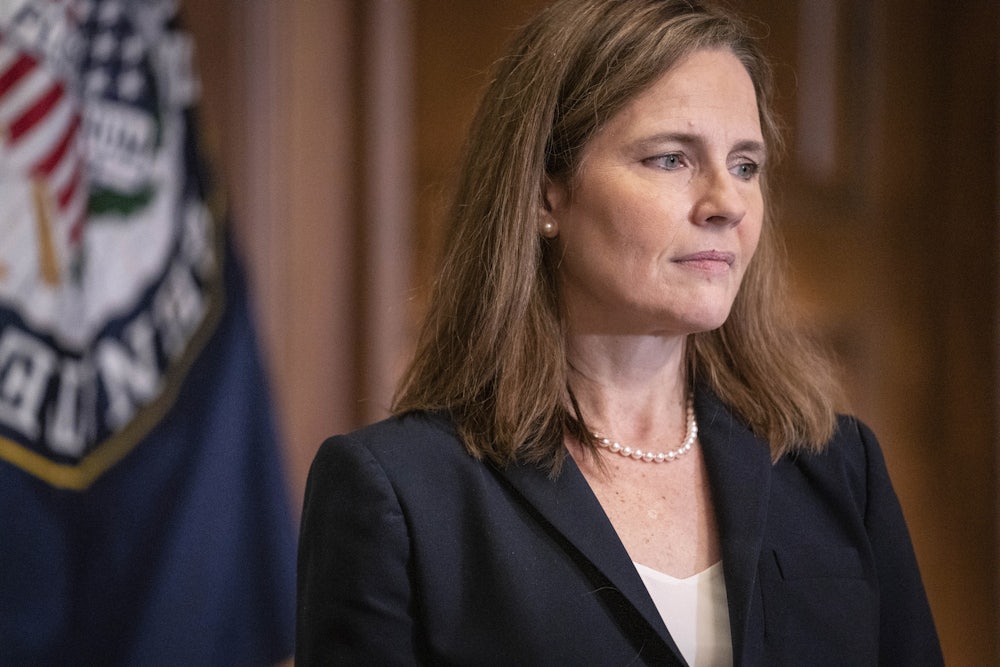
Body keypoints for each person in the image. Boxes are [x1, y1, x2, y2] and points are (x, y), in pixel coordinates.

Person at [296, 0, 943, 664]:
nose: (726, 202)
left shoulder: (837, 466)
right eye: (671, 159)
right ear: (546, 196)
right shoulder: (398, 492)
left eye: (746, 165)